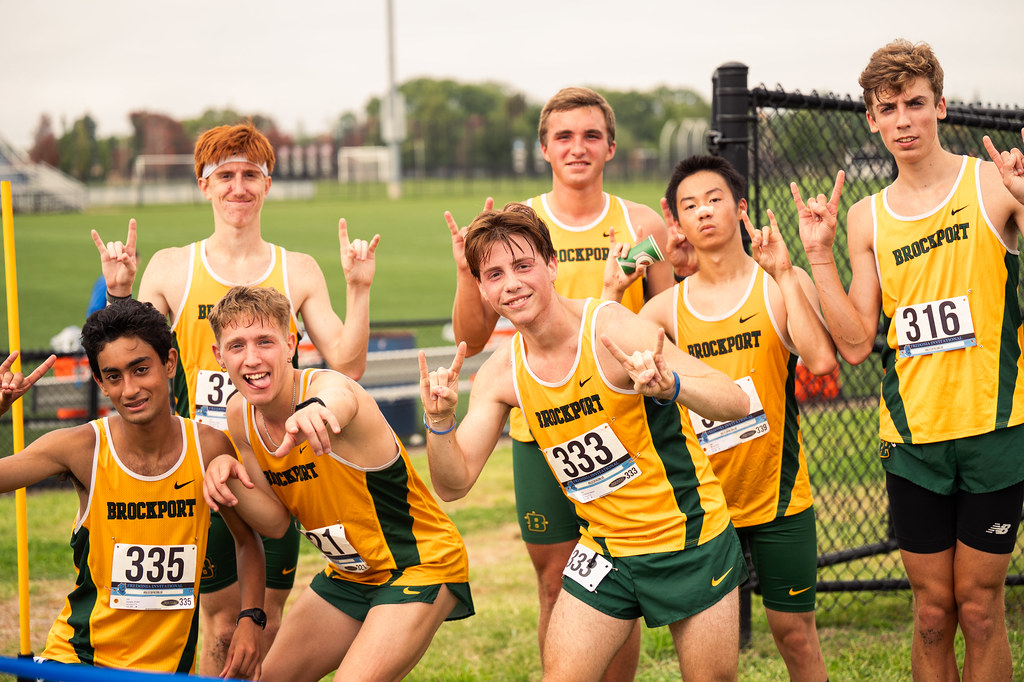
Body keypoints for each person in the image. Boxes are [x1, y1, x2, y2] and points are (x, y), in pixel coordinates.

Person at [91, 121, 379, 674]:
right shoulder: (173, 267)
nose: (238, 187)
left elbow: (348, 366)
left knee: (265, 624)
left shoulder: (297, 269)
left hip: (275, 467)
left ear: (268, 184)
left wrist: (359, 288)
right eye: (225, 176)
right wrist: (120, 292)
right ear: (204, 185)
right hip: (201, 468)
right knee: (222, 626)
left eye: (251, 175)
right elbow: (127, 359)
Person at [422, 203, 750, 680]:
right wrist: (439, 422)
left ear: (552, 266)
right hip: (605, 549)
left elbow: (735, 401)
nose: (511, 283)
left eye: (523, 265)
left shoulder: (610, 330)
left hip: (688, 537)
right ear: (482, 288)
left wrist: (672, 387)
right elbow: (453, 484)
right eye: (494, 274)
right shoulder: (501, 373)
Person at [795, 39, 1024, 680]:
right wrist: (819, 256)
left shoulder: (993, 183)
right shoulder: (866, 217)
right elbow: (854, 342)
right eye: (888, 108)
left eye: (915, 103)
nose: (903, 120)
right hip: (913, 439)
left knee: (979, 608)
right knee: (931, 613)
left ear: (940, 106)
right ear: (871, 119)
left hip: (995, 428)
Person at [445, 87, 674, 678]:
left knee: (622, 576)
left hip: (626, 427)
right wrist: (467, 276)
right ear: (544, 148)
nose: (578, 147)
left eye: (591, 135)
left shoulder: (640, 223)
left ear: (611, 147)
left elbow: (669, 320)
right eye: (564, 136)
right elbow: (472, 336)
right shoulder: (518, 223)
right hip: (543, 429)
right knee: (556, 581)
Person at [630, 155, 835, 681]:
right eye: (689, 205)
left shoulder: (777, 283)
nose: (703, 211)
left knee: (796, 638)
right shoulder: (666, 309)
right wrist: (615, 288)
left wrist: (785, 273)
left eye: (714, 199)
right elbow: (612, 362)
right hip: (704, 507)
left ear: (740, 207)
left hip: (779, 497)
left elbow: (821, 360)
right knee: (710, 658)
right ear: (677, 222)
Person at [202, 285, 473, 681]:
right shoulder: (239, 415)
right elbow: (275, 523)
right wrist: (225, 472)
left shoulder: (324, 389)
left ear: (290, 344)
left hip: (419, 564)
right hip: (349, 575)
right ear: (219, 356)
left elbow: (340, 397)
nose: (252, 358)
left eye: (265, 342)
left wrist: (317, 410)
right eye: (237, 346)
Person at [0, 301, 264, 676]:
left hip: (169, 671)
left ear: (169, 363)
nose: (130, 389)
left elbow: (247, 540)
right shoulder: (80, 448)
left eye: (141, 369)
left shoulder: (208, 447)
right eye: (113, 376)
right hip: (81, 662)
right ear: (100, 383)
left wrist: (251, 619)